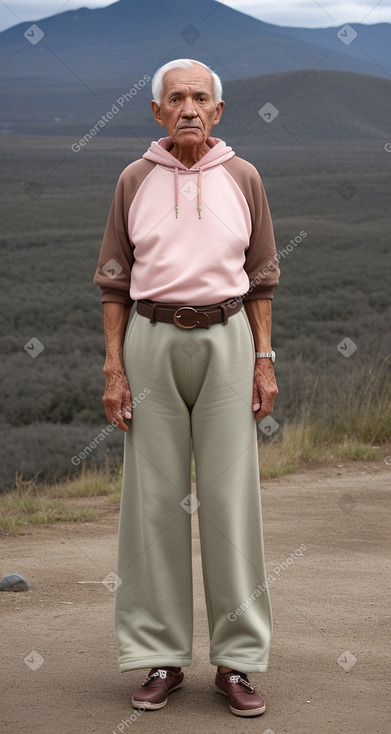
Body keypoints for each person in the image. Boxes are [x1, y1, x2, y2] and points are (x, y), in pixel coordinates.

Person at [94, 58, 280, 718]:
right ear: (156, 112)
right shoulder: (133, 179)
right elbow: (114, 283)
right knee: (154, 503)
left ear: (219, 110)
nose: (189, 108)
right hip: (149, 343)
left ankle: (237, 661)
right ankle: (161, 655)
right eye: (176, 99)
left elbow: (260, 279)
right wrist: (114, 371)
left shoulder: (243, 177)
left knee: (231, 502)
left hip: (229, 340)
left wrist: (263, 360)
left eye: (201, 97)